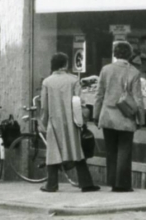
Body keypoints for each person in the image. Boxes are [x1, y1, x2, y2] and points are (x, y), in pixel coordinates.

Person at [39, 52, 100, 193]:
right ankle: (86, 183)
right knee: (77, 150)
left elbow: (44, 106)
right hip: (72, 121)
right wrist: (82, 121)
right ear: (65, 64)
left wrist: (43, 122)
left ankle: (51, 184)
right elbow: (80, 102)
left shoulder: (47, 82)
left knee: (53, 152)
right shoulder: (73, 80)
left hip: (54, 121)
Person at [94, 41, 145, 192]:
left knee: (111, 151)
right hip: (126, 117)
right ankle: (122, 185)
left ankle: (112, 182)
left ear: (115, 54)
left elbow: (99, 95)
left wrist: (96, 115)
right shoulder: (134, 72)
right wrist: (141, 119)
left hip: (108, 116)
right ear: (129, 54)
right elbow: (138, 98)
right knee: (124, 149)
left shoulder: (106, 69)